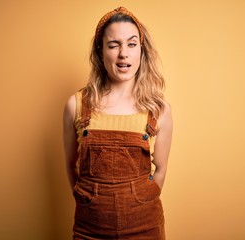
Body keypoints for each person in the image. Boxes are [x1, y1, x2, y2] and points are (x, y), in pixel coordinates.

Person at [63, 6, 173, 239]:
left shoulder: (159, 110)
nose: (124, 53)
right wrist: (89, 201)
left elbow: (161, 169)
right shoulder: (76, 105)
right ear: (100, 51)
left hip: (145, 226)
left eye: (132, 44)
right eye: (114, 45)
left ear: (141, 51)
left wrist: (141, 200)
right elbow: (70, 165)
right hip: (89, 229)